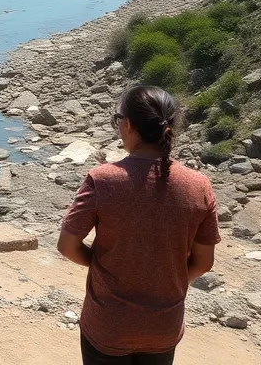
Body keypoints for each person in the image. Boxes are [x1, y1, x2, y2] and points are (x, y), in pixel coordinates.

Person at [58, 85, 220, 365]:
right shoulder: (198, 185)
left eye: (117, 119)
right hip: (164, 326)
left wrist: (104, 266)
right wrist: (168, 277)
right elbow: (203, 263)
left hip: (108, 325)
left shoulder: (102, 179)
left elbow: (67, 246)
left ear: (129, 124)